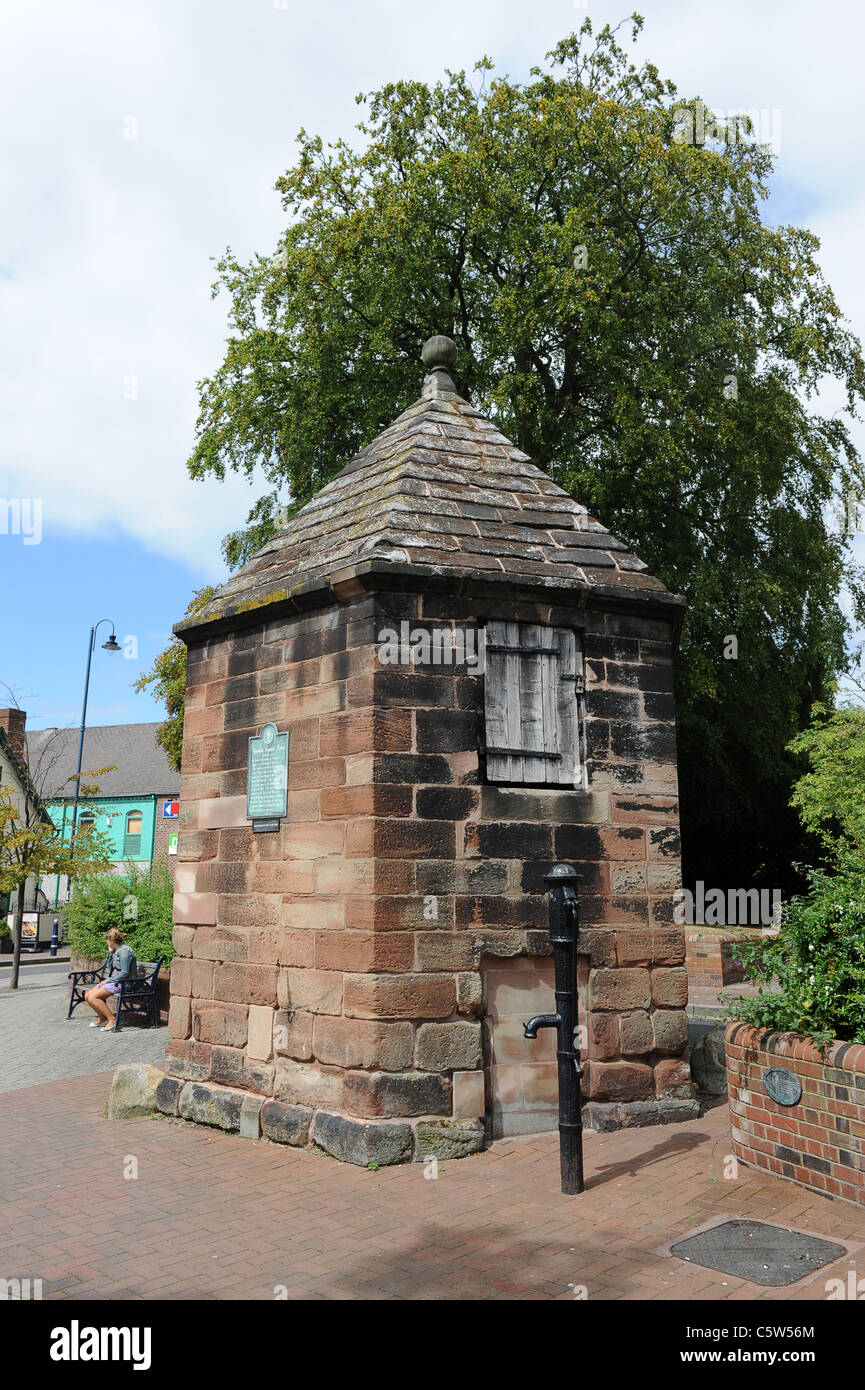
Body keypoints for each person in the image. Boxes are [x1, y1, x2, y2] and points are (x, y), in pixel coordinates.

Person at [84, 928, 138, 1031]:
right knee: (87, 995)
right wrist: (110, 953)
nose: (107, 944)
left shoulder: (124, 951)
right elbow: (110, 967)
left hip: (124, 983)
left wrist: (107, 981)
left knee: (93, 998)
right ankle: (102, 1018)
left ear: (112, 940)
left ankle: (112, 1020)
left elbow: (125, 973)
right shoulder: (117, 950)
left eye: (108, 941)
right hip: (115, 981)